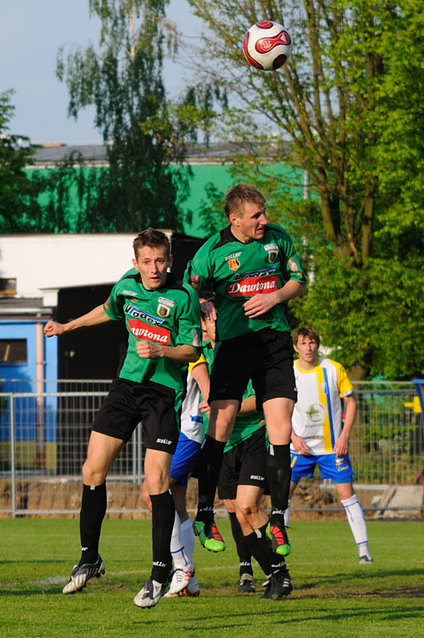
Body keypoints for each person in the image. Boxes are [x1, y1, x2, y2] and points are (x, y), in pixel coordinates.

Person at [44, 228, 201, 609]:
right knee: (92, 470)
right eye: (146, 261)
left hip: (163, 394)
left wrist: (162, 349)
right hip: (126, 388)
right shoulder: (127, 285)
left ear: (169, 260)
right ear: (135, 263)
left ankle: (161, 572)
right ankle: (89, 557)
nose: (154, 268)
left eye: (160, 260)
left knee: (156, 481)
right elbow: (108, 309)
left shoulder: (183, 296)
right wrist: (66, 326)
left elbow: (193, 348)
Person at [184, 183, 306, 557]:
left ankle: (280, 518)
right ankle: (205, 513)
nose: (264, 221)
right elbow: (188, 288)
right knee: (219, 427)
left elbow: (298, 280)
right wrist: (203, 302)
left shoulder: (278, 239)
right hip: (234, 345)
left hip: (273, 342)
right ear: (235, 220)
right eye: (256, 216)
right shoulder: (214, 250)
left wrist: (275, 295)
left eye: (265, 213)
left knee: (280, 426)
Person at [290, 326, 373, 564]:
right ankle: (278, 553)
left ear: (317, 345)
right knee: (282, 495)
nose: (308, 347)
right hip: (299, 447)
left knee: (346, 494)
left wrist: (344, 436)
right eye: (303, 343)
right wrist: (293, 437)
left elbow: (351, 401)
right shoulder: (287, 371)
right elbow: (280, 407)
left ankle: (364, 551)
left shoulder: (333, 369)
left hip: (331, 448)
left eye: (312, 342)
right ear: (295, 347)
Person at [141, 350, 209, 598]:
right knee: (176, 503)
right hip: (174, 431)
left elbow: (208, 388)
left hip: (188, 431)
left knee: (151, 493)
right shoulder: (172, 351)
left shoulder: (193, 353)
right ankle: (189, 579)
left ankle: (182, 567)